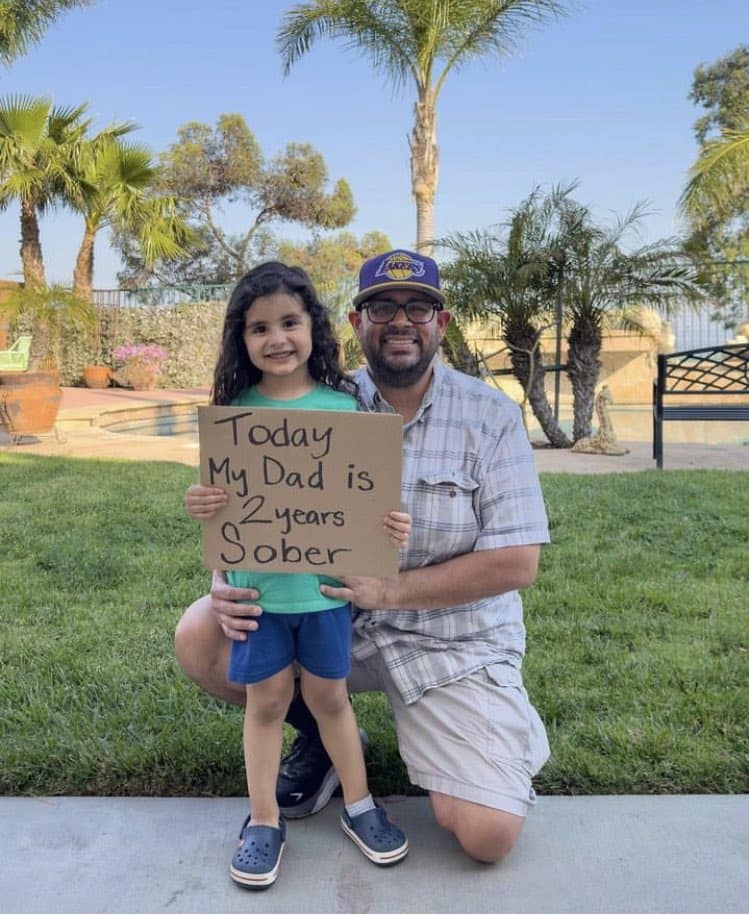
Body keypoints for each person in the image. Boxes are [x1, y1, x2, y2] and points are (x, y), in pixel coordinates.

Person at [176, 249, 551, 866]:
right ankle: (323, 741)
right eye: (382, 307)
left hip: (449, 643)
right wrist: (225, 574)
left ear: (442, 322)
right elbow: (256, 502)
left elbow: (518, 563)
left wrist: (393, 591)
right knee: (200, 634)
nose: (400, 321)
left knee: (487, 836)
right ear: (355, 322)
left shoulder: (490, 416)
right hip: (333, 618)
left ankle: (456, 742)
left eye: (418, 308)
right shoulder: (327, 399)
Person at [185, 261, 411, 889]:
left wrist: (389, 528)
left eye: (289, 321)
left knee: (330, 696)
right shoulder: (232, 414)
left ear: (314, 325)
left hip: (326, 595)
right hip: (258, 596)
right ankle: (262, 820)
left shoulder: (345, 407)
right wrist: (201, 504)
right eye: (259, 328)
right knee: (265, 702)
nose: (276, 338)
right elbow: (219, 500)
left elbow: (368, 499)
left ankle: (359, 805)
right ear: (242, 339)